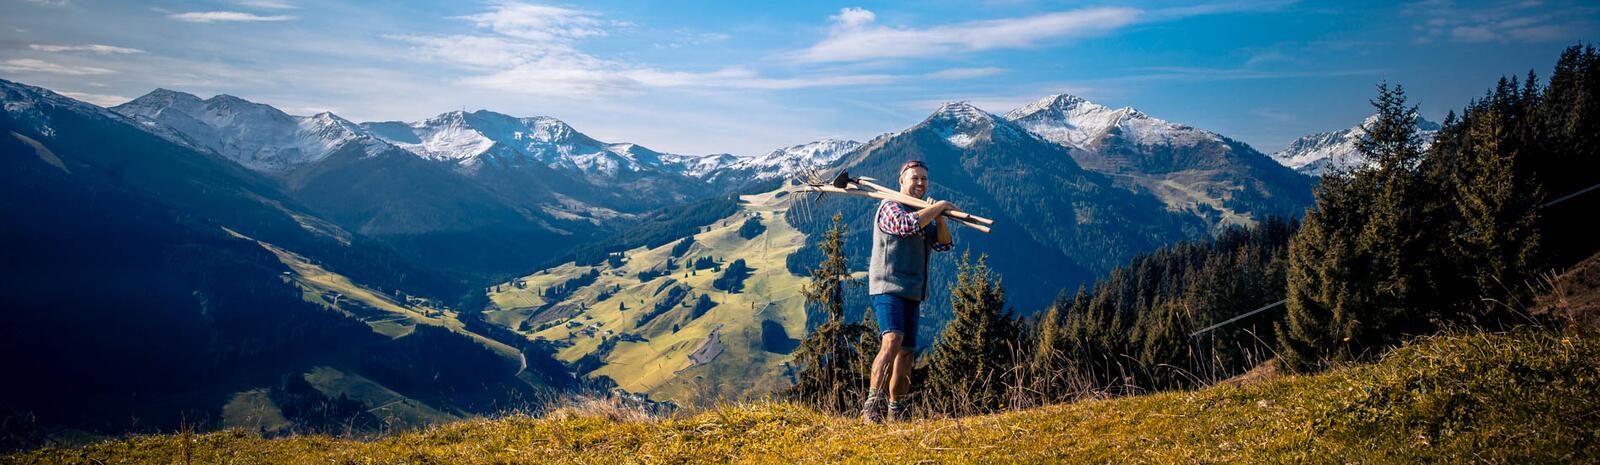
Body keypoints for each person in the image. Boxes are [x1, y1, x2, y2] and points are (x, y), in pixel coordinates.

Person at [861, 159, 956, 423]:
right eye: (915, 178)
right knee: (892, 340)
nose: (920, 183)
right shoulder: (890, 206)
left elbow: (944, 245)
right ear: (901, 180)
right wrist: (938, 207)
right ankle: (872, 406)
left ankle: (897, 411)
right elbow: (906, 226)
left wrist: (940, 217)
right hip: (888, 285)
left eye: (924, 179)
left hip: (913, 290)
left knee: (907, 351)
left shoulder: (923, 210)